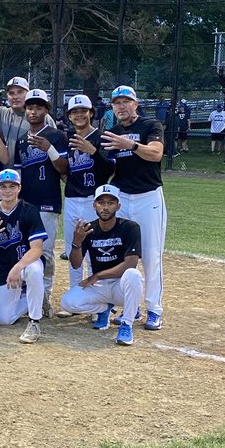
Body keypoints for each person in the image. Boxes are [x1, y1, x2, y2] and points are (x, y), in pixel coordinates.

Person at [101, 84, 166, 329]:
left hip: (148, 196)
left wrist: (128, 144)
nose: (121, 106)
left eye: (125, 101)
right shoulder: (112, 131)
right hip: (122, 197)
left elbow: (156, 154)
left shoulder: (150, 126)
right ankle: (130, 307)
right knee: (122, 254)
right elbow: (107, 166)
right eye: (116, 102)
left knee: (150, 254)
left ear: (135, 104)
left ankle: (154, 309)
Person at [59, 186, 144, 346]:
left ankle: (126, 324)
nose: (105, 207)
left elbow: (130, 263)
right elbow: (76, 264)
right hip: (100, 287)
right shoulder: (88, 229)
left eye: (110, 203)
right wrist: (77, 242)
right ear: (94, 205)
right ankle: (103, 309)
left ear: (118, 206)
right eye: (101, 202)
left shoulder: (130, 227)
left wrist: (97, 275)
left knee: (134, 275)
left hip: (121, 286)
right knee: (67, 302)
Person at [15, 88, 68, 317]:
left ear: (46, 110)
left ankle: (45, 297)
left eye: (38, 107)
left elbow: (64, 170)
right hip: (26, 203)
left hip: (48, 202)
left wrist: (50, 149)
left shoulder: (56, 136)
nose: (33, 111)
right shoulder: (20, 141)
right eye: (30, 107)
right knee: (25, 250)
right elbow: (19, 175)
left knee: (44, 252)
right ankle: (27, 295)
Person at [0, 168, 47, 343]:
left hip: (26, 264)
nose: (7, 190)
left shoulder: (29, 210)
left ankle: (34, 321)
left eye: (12, 186)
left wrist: (18, 267)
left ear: (19, 188)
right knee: (5, 319)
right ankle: (36, 296)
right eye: (3, 186)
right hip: (4, 270)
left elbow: (37, 249)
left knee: (34, 271)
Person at [62, 93, 115, 288]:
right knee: (73, 248)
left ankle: (97, 296)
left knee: (95, 248)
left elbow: (110, 170)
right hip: (72, 199)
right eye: (74, 112)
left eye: (83, 111)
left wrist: (93, 151)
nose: (79, 115)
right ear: (69, 116)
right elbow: (64, 168)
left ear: (91, 113)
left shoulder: (102, 138)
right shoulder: (67, 139)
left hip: (94, 201)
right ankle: (76, 291)